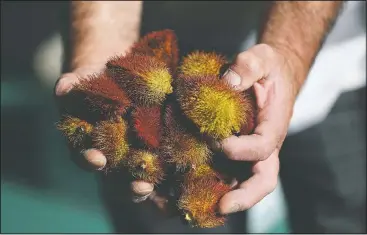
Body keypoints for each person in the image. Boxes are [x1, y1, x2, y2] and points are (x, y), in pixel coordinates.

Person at [54, 1, 366, 233]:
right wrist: (99, 49)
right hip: (161, 40)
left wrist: (289, 52)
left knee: (340, 219)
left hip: (330, 65)